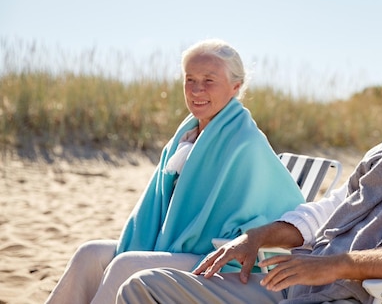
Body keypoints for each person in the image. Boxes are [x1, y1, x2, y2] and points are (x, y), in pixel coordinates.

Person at [116, 18, 382, 304]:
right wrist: (258, 237)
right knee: (141, 285)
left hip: (361, 294)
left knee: (142, 287)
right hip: (303, 282)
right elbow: (333, 208)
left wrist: (336, 267)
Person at [44, 39, 305, 304]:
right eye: (189, 79)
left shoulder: (245, 141)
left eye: (209, 80)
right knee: (88, 254)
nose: (196, 89)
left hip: (215, 258)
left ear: (235, 87)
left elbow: (273, 211)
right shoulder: (187, 135)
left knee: (125, 265)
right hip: (172, 245)